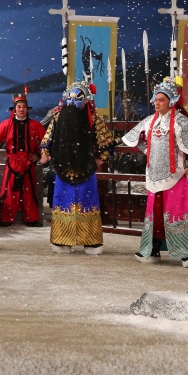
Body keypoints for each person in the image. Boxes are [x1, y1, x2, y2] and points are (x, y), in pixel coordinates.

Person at [121, 76, 188, 268]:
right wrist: (148, 150)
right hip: (153, 177)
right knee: (156, 214)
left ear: (171, 101)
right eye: (155, 99)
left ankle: (186, 253)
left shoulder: (182, 122)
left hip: (176, 176)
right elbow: (133, 139)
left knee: (177, 212)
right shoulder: (149, 121)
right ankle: (152, 249)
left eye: (161, 100)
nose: (156, 103)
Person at [39, 81, 114, 255]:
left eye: (77, 98)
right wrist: (45, 154)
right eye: (70, 98)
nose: (73, 102)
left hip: (85, 170)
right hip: (62, 169)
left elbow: (107, 142)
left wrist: (100, 159)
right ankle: (62, 240)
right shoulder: (58, 117)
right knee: (63, 204)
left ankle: (90, 241)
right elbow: (47, 141)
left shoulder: (92, 119)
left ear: (86, 100)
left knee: (87, 204)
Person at [0, 93, 47, 227]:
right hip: (12, 162)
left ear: (27, 109)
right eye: (19, 107)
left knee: (29, 192)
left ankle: (32, 219)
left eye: (24, 107)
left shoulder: (35, 125)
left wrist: (38, 154)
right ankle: (7, 218)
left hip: (28, 162)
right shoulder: (7, 124)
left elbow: (45, 142)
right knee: (9, 192)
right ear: (14, 109)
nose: (21, 109)